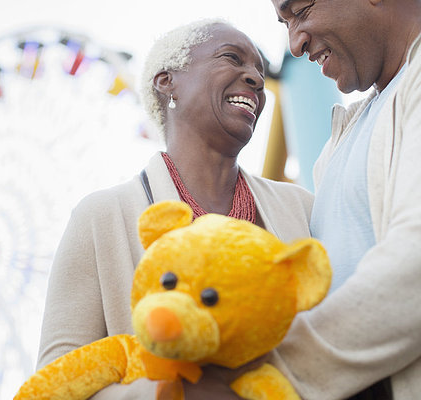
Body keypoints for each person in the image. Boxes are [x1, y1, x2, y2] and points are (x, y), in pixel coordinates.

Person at [36, 19, 315, 399]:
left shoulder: (302, 208)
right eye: (232, 59)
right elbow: (58, 378)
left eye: (259, 71)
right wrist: (170, 391)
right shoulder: (101, 217)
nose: (254, 79)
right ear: (167, 82)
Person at [265, 1, 421, 399]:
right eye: (284, 24)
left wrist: (270, 374)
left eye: (299, 11)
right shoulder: (339, 144)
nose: (295, 43)